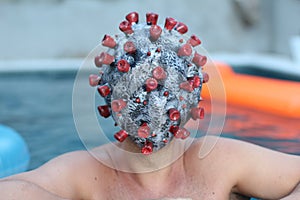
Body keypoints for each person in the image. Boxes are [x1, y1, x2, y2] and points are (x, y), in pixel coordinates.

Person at [1, 12, 299, 200]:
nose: (153, 108)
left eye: (161, 92)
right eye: (141, 93)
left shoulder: (217, 162)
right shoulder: (82, 174)